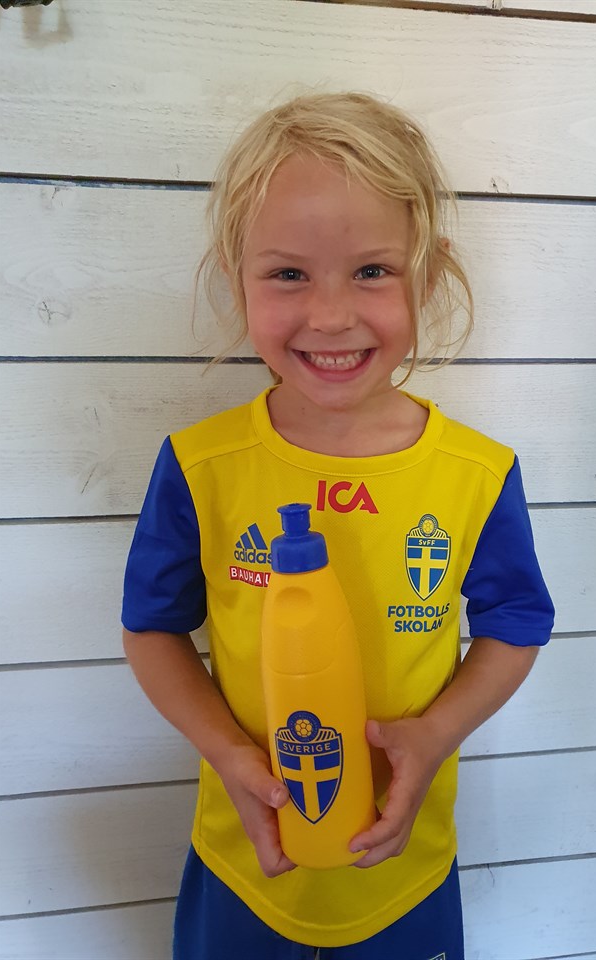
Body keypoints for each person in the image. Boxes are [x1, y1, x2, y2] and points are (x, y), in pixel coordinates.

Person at [121, 92, 555, 960]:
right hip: (247, 869)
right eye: (288, 274)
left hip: (405, 875)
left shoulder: (476, 475)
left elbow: (515, 624)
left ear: (428, 276)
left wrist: (436, 732)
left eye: (371, 271)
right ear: (236, 276)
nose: (329, 315)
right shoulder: (202, 467)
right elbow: (152, 629)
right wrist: (228, 753)